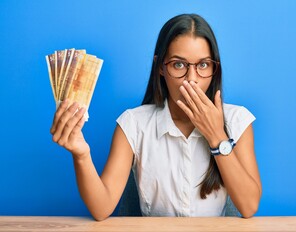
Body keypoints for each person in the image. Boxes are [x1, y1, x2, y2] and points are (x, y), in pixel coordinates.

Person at [50, 13, 261, 220]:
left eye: (203, 65)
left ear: (215, 69)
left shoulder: (237, 120)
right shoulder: (133, 124)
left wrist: (217, 136)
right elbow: (101, 207)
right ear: (161, 67)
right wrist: (81, 155)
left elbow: (249, 206)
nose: (192, 80)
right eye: (179, 65)